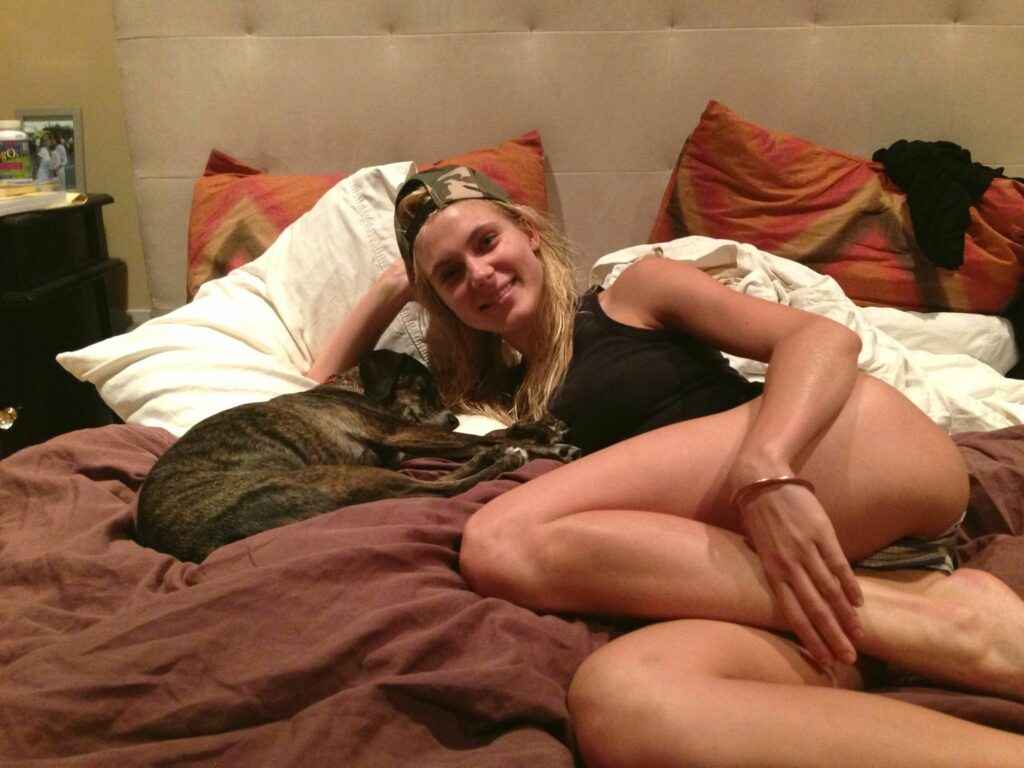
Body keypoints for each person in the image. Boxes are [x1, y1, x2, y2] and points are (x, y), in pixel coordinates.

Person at [309, 166, 1024, 766]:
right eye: (450, 275)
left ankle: (929, 625)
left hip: (842, 459)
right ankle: (935, 625)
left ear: (529, 232)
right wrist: (394, 285)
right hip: (829, 574)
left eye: (486, 242)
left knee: (503, 539)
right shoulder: (496, 397)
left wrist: (766, 470)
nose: (479, 274)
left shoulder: (632, 293)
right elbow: (314, 387)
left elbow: (820, 340)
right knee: (624, 703)